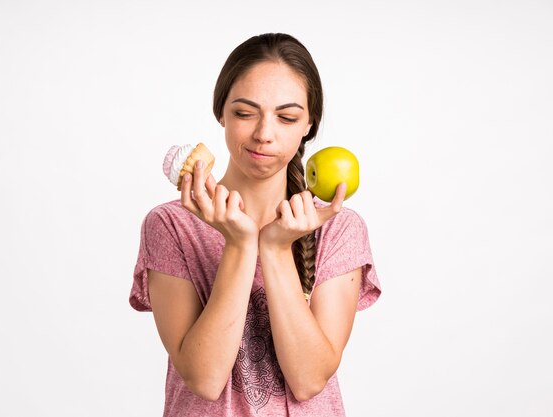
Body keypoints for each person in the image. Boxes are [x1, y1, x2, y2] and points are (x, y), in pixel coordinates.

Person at [129, 33, 381, 417]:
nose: (264, 133)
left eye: (287, 117)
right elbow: (204, 378)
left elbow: (309, 378)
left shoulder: (337, 227)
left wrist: (277, 250)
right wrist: (241, 245)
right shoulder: (171, 225)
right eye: (245, 113)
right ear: (222, 113)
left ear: (308, 124)